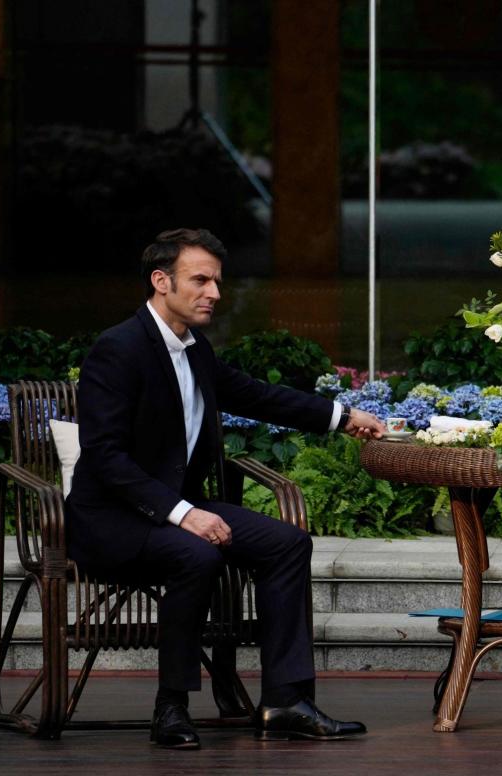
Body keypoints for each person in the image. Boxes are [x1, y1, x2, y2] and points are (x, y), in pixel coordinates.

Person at [66, 228, 385, 750]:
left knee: (288, 544)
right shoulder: (117, 349)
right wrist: (182, 513)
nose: (214, 292)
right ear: (160, 281)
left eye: (217, 281)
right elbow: (105, 457)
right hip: (111, 520)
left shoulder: (195, 350)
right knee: (196, 555)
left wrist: (342, 416)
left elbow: (255, 395)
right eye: (201, 279)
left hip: (171, 512)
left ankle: (286, 700)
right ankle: (170, 706)